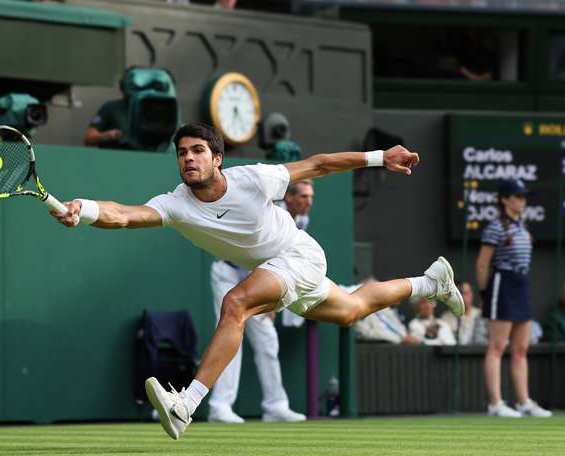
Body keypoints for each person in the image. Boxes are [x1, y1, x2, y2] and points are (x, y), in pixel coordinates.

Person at [51, 123, 463, 441]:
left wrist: (379, 157)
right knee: (352, 310)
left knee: (236, 304)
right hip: (276, 269)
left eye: (198, 151)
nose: (188, 159)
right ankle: (430, 282)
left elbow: (318, 165)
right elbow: (123, 214)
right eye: (181, 153)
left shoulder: (253, 178)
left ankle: (186, 404)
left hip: (298, 255)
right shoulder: (176, 203)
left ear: (217, 158)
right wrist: (82, 209)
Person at [206, 181, 315, 424]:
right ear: (290, 198)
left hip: (257, 277)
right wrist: (269, 296)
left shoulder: (303, 221)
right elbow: (257, 252)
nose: (309, 202)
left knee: (267, 340)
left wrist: (272, 298)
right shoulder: (270, 214)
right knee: (231, 335)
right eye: (304, 196)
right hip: (229, 272)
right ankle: (219, 406)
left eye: (311, 196)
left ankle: (275, 405)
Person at [476, 178, 552, 418]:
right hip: (502, 283)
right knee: (497, 347)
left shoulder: (523, 227)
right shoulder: (495, 227)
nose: (522, 200)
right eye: (518, 196)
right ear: (504, 199)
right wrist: (486, 294)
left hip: (521, 284)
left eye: (523, 196)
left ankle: (523, 402)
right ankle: (495, 403)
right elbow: (482, 264)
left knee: (520, 349)